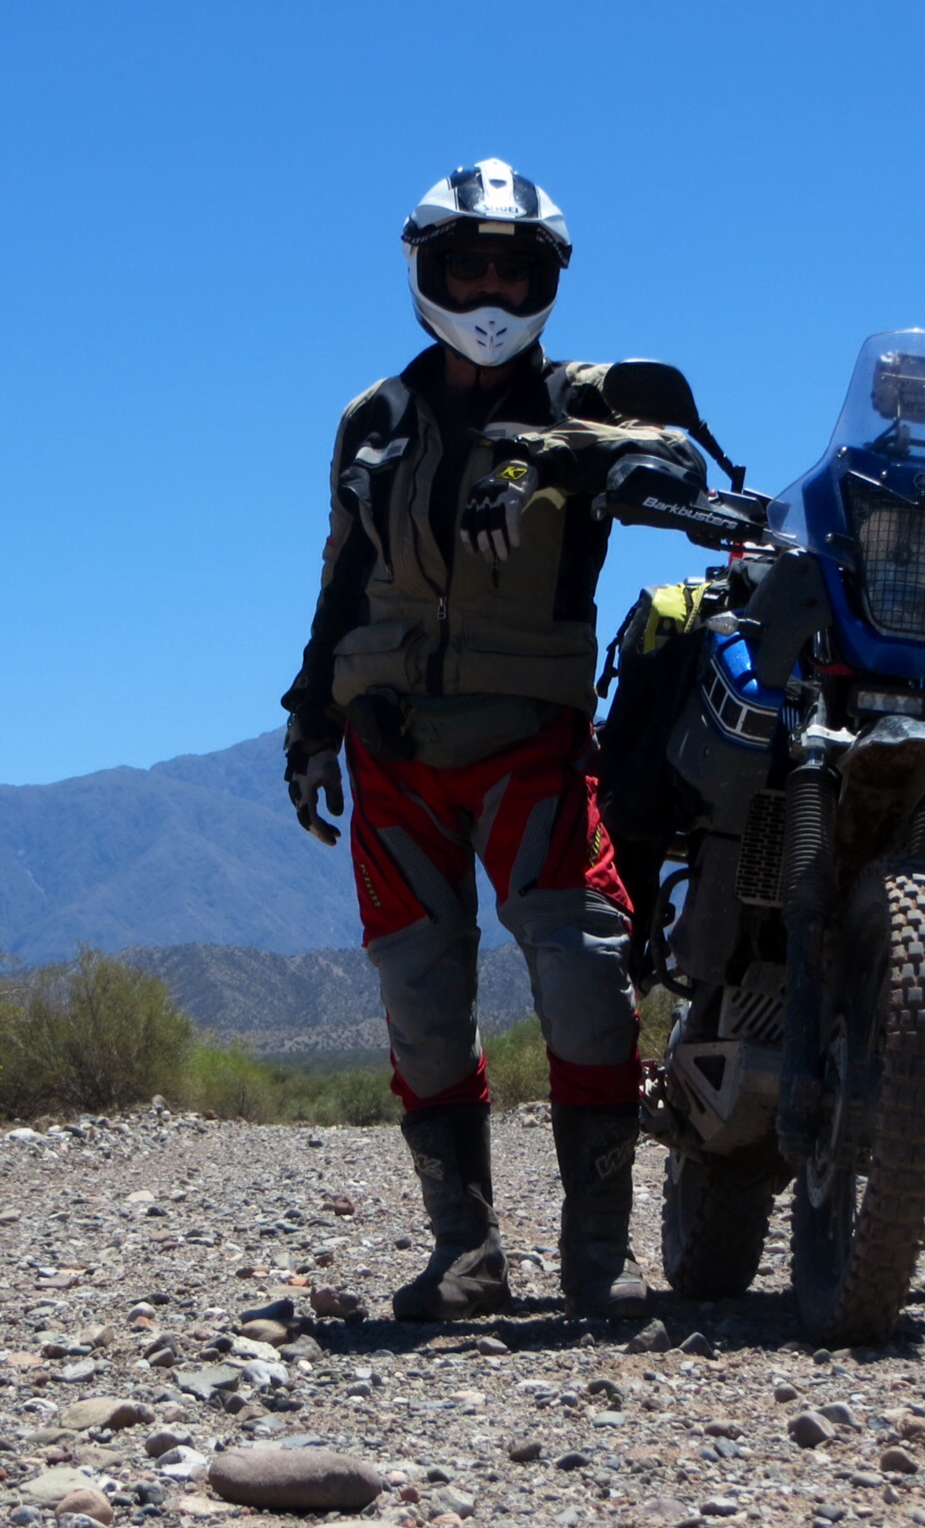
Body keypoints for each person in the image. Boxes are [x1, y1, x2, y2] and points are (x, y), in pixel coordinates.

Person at [280, 158, 704, 1320]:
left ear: (544, 281)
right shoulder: (373, 417)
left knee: (587, 980)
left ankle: (597, 1251)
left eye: (511, 270)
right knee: (419, 1003)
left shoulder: (583, 396)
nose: (488, 289)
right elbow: (342, 576)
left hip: (533, 741)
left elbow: (675, 457)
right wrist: (308, 719)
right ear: (425, 269)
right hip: (389, 743)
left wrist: (572, 453)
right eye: (465, 265)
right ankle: (464, 1252)